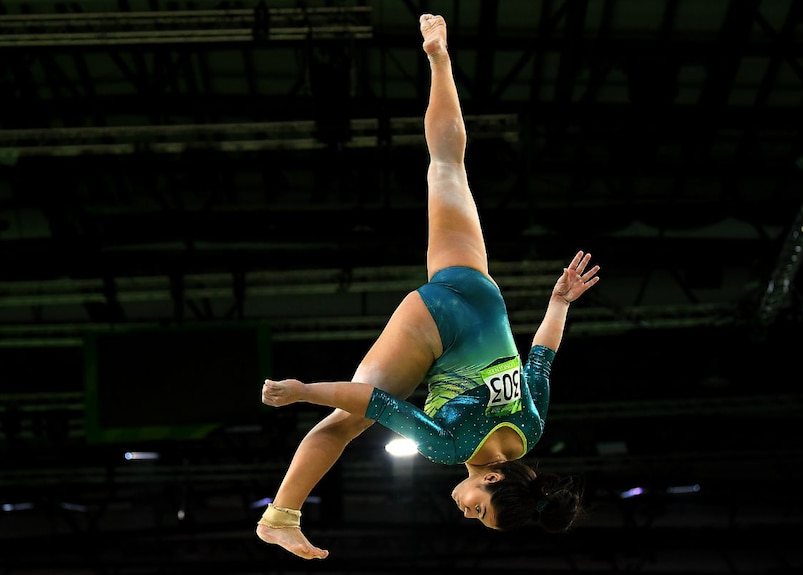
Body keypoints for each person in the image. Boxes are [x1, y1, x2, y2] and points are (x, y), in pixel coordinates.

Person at [256, 13, 600, 560]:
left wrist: (558, 302)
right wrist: (302, 389)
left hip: (481, 294)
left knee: (448, 166)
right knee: (345, 423)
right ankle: (280, 516)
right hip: (436, 319)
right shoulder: (449, 447)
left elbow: (542, 358)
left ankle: (439, 57)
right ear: (492, 483)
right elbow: (375, 400)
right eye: (477, 512)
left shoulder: (532, 429)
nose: (464, 511)